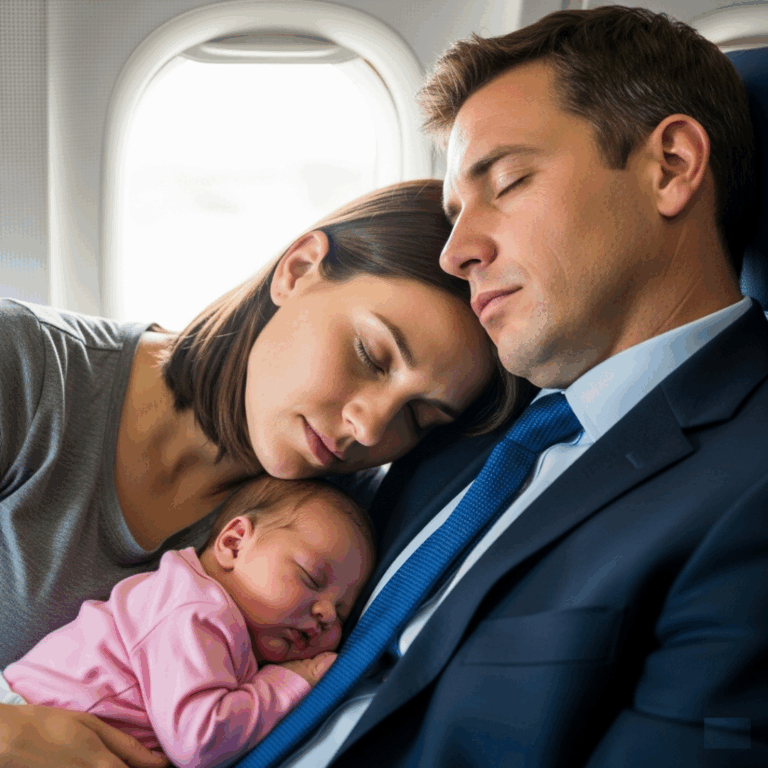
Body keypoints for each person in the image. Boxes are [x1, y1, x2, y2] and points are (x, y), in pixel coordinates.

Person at [227, 7, 768, 768]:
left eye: (508, 181)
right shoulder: (461, 425)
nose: (454, 253)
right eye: (454, 213)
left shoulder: (749, 486)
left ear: (672, 165)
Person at [0, 180, 527, 767]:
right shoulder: (23, 368)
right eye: (370, 355)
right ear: (298, 270)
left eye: (419, 416)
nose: (371, 427)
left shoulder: (332, 541)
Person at [2, 475, 376, 768]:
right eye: (311, 578)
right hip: (24, 721)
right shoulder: (196, 610)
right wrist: (291, 681)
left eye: (341, 611)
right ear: (233, 544)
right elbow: (199, 741)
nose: (327, 615)